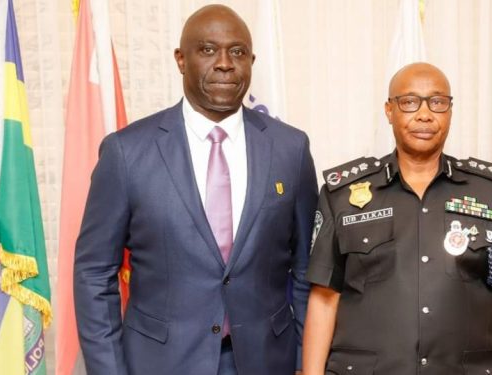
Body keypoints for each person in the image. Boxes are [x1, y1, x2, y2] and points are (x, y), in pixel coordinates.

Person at [74, 4, 317, 375]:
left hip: (268, 361)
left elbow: (305, 269)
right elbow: (94, 273)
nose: (224, 63)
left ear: (251, 61)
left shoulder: (290, 149)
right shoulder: (127, 152)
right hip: (159, 364)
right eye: (207, 50)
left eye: (237, 52)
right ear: (181, 60)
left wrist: (304, 361)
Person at [302, 62, 492, 375]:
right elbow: (324, 299)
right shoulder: (342, 196)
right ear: (389, 111)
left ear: (450, 111)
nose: (425, 114)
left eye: (438, 102)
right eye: (409, 102)